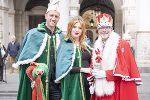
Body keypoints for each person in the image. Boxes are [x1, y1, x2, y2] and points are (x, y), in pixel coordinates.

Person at [13, 0, 64, 100]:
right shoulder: (33, 34)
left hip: (56, 83)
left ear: (59, 19)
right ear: (46, 16)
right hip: (38, 82)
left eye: (56, 16)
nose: (53, 18)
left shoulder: (61, 36)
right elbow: (24, 61)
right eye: (51, 15)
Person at [88, 13, 142, 100]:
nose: (104, 30)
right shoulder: (97, 45)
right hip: (99, 88)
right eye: (101, 27)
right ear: (98, 30)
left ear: (112, 29)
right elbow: (94, 65)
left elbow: (125, 69)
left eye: (107, 27)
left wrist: (105, 74)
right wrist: (93, 78)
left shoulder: (121, 44)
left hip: (116, 88)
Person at [55, 16, 92, 100]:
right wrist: (83, 69)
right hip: (73, 85)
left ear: (82, 30)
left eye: (79, 28)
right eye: (74, 27)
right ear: (70, 28)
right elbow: (63, 68)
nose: (77, 30)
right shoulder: (65, 44)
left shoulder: (86, 46)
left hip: (88, 85)